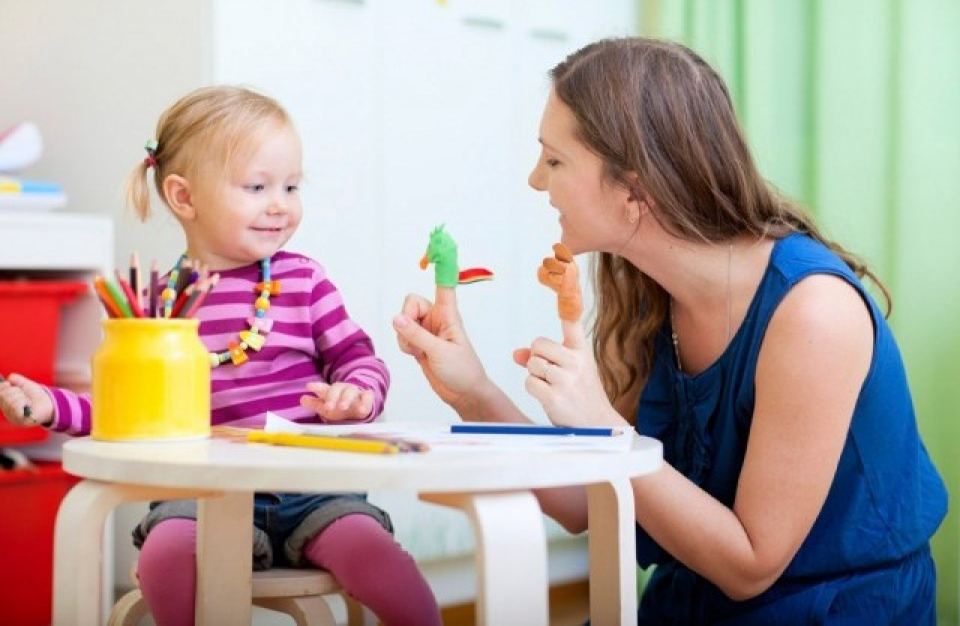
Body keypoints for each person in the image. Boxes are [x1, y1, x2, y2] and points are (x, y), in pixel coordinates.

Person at [392, 38, 947, 624]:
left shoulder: (814, 314)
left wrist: (604, 425)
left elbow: (750, 564)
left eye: (554, 161)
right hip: (688, 605)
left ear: (634, 188)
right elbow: (590, 503)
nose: (535, 180)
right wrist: (473, 389)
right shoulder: (645, 291)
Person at [0, 86, 440, 626]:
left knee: (382, 563)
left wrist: (359, 394)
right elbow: (127, 413)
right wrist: (52, 406)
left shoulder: (303, 280)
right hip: (200, 494)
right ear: (184, 198)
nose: (280, 203)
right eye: (257, 187)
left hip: (315, 490)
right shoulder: (158, 304)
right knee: (165, 558)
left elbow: (358, 357)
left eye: (291, 186)